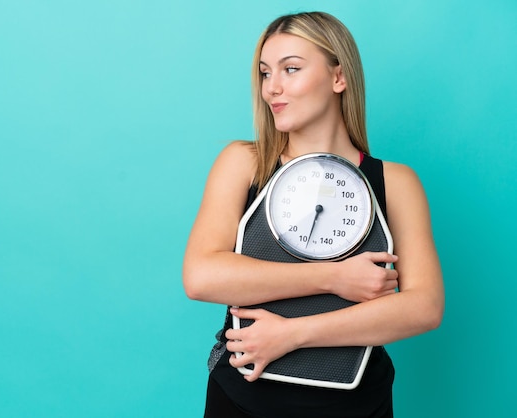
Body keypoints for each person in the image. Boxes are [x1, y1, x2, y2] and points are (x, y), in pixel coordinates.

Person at [182, 11, 444, 418]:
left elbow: (423, 306)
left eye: (291, 69)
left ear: (339, 78)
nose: (273, 88)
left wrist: (293, 334)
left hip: (358, 403)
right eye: (266, 73)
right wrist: (333, 276)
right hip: (243, 398)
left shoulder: (395, 182)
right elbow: (201, 277)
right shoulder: (244, 163)